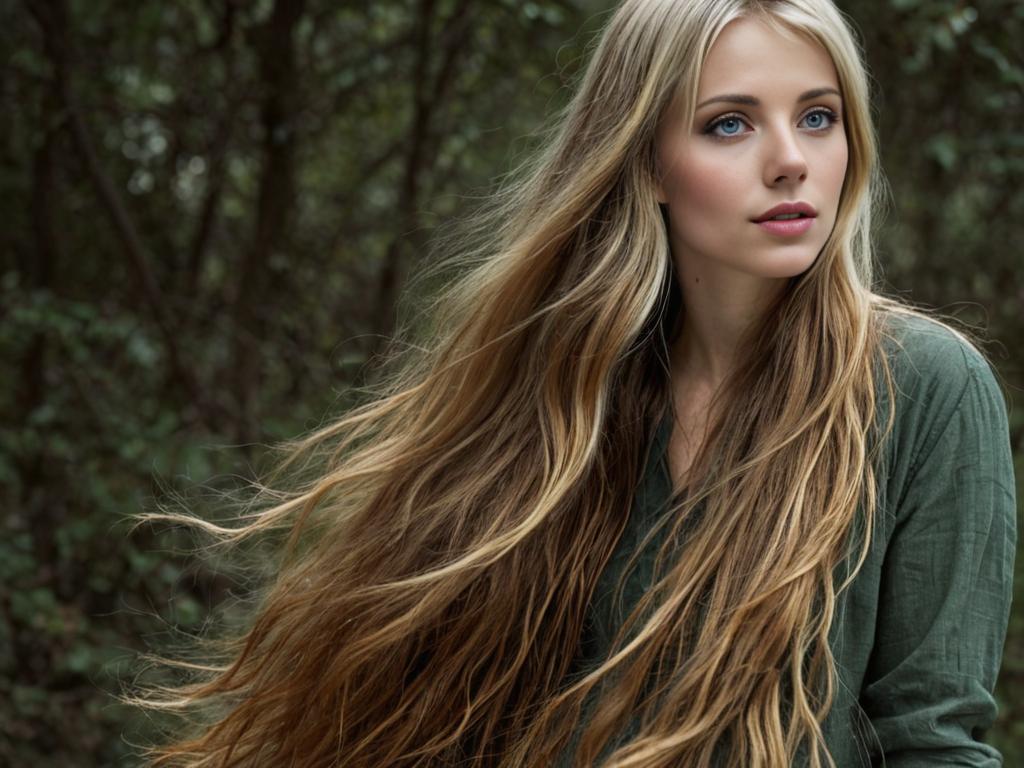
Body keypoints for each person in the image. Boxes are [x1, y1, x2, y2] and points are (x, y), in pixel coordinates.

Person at [136, 0, 1017, 766]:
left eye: (818, 117)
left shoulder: (924, 387)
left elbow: (934, 740)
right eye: (730, 124)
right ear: (644, 163)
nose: (791, 160)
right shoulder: (561, 392)